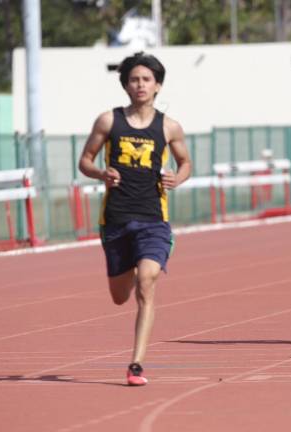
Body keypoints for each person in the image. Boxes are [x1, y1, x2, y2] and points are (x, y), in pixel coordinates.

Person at [78, 52, 191, 385]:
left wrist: (177, 178)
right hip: (115, 219)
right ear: (125, 84)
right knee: (119, 295)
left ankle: (136, 364)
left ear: (157, 85)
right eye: (134, 79)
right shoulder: (108, 121)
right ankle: (126, 268)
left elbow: (186, 163)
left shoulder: (169, 126)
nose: (140, 85)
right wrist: (101, 173)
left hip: (154, 219)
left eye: (146, 79)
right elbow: (85, 160)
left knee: (147, 282)